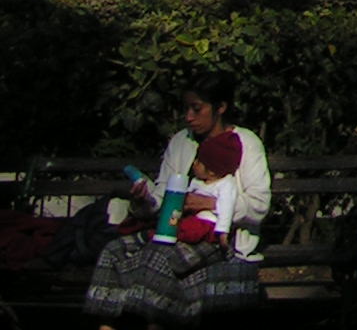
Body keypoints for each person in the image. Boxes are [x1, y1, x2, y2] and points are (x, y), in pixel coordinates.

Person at [87, 71, 271, 329]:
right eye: (186, 108)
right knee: (114, 250)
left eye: (197, 109)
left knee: (157, 260)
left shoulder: (246, 143)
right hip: (173, 230)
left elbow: (259, 205)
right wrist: (144, 201)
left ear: (220, 107)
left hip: (216, 237)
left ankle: (156, 322)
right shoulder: (181, 142)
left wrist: (207, 203)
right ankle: (107, 324)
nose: (189, 117)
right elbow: (162, 198)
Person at [169, 132, 242, 249]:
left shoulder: (226, 184)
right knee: (174, 222)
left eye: (199, 161)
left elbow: (226, 208)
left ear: (212, 170)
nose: (194, 163)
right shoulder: (197, 181)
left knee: (190, 229)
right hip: (192, 218)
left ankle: (172, 234)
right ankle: (166, 232)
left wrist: (223, 233)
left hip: (209, 224)